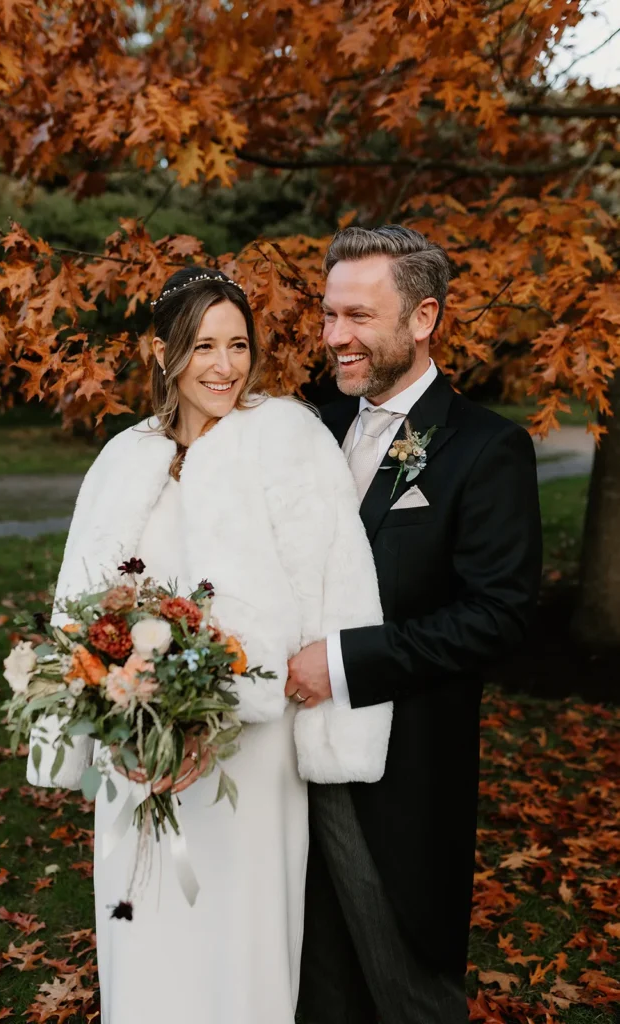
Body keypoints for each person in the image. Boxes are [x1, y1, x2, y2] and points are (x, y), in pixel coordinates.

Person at [25, 267, 390, 1024]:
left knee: (242, 946)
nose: (223, 366)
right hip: (134, 753)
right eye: (202, 347)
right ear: (163, 354)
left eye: (237, 346)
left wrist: (337, 731)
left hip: (249, 754)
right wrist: (95, 722)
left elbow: (338, 585)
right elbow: (79, 604)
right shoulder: (125, 458)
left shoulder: (289, 442)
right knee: (144, 936)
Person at [288, 225, 543, 1024]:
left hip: (402, 766)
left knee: (403, 981)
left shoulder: (484, 447)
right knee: (310, 973)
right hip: (283, 757)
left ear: (423, 317)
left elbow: (496, 616)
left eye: (358, 317)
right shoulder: (309, 429)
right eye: (329, 315)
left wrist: (343, 661)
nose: (335, 337)